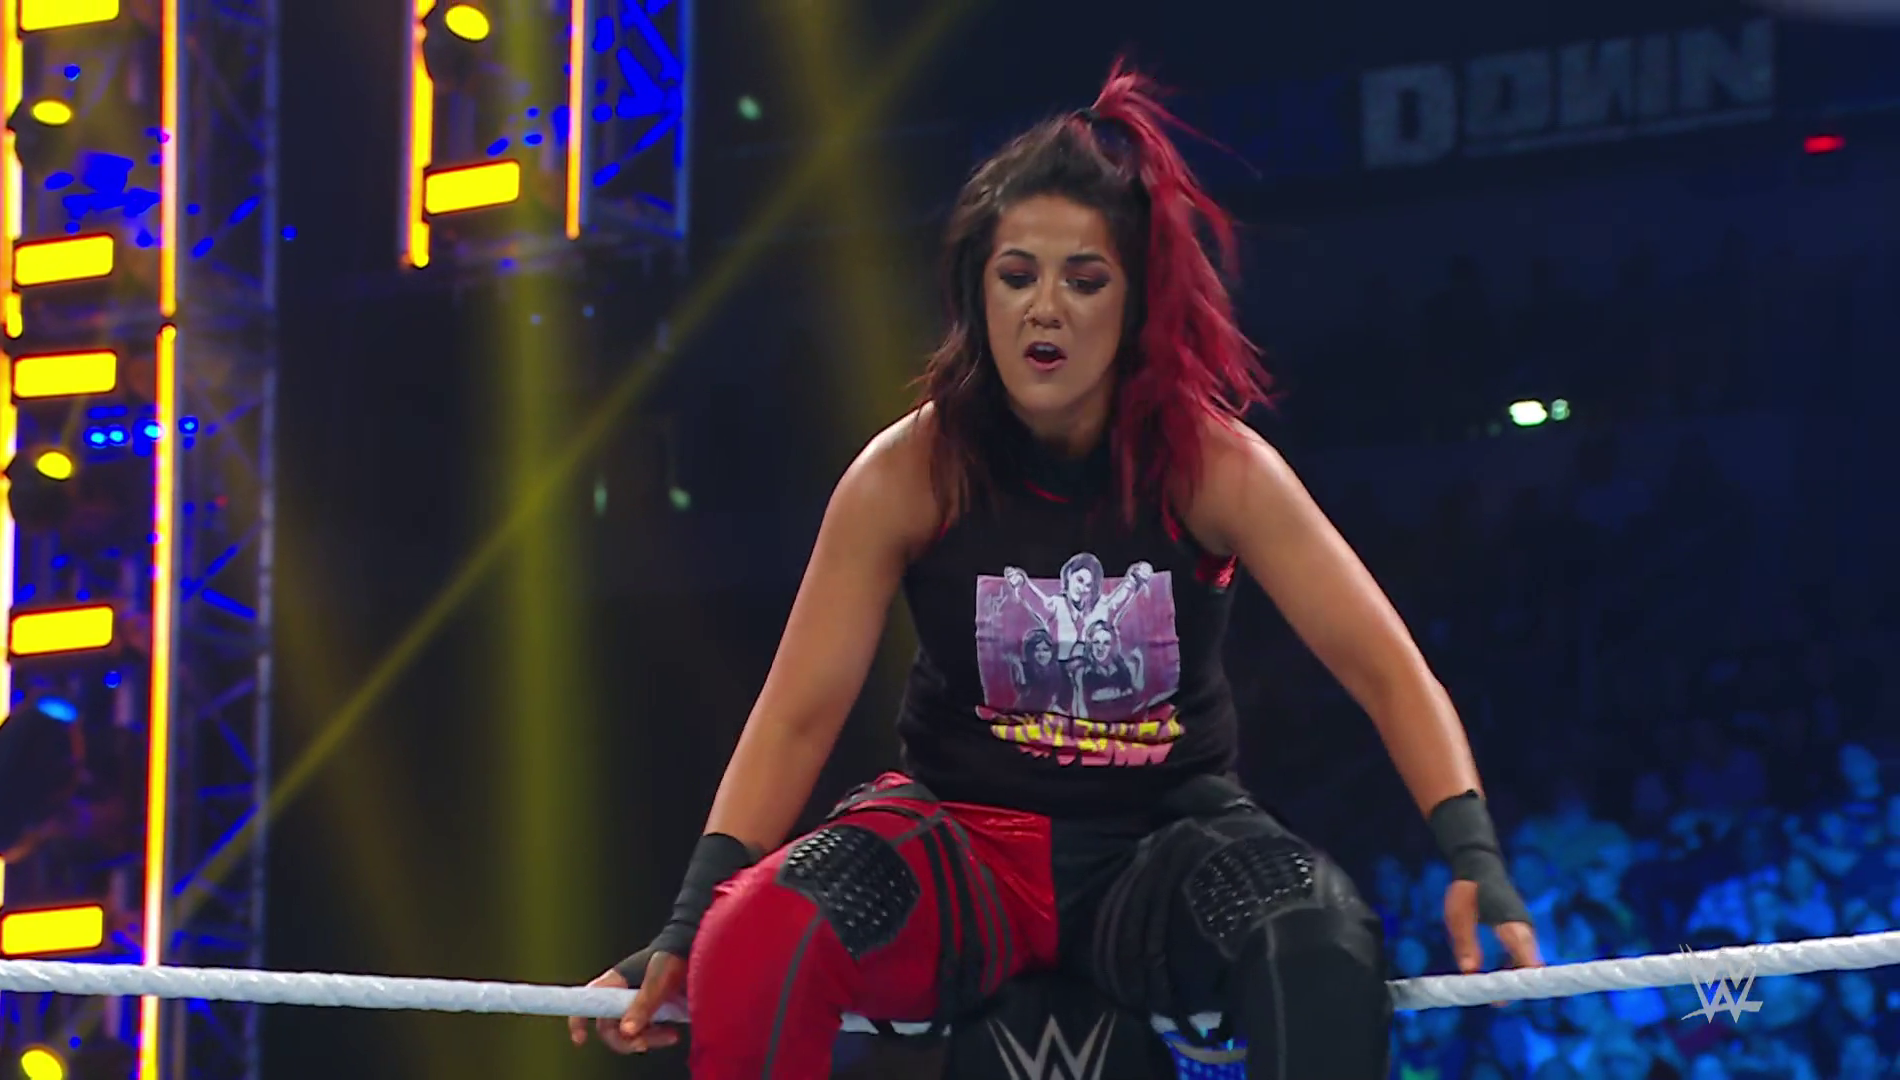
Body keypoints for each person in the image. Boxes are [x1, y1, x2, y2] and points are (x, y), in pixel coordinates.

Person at [568, 62, 1542, 1079]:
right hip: (958, 848)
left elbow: (1386, 669)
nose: (1047, 308)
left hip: (1160, 849)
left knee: (1321, 941)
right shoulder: (909, 472)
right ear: (975, 292)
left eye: (1085, 279)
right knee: (754, 938)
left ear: (1135, 303)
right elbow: (797, 713)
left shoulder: (1213, 466)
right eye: (1017, 275)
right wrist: (691, 920)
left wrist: (1473, 856)